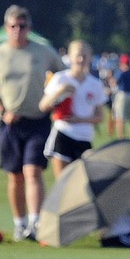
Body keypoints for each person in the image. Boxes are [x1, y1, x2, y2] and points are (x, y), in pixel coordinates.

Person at [0, 4, 64, 241]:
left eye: (22, 26)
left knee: (33, 171)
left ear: (29, 28)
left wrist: (54, 99)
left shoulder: (43, 52)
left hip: (38, 119)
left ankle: (36, 224)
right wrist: (0, 111)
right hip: (10, 122)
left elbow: (62, 75)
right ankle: (20, 223)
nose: (17, 30)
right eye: (13, 26)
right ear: (6, 28)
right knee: (15, 175)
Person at [39, 40, 106, 178]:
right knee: (63, 184)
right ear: (70, 57)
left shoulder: (95, 84)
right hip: (63, 134)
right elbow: (43, 106)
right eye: (77, 56)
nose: (81, 59)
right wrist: (61, 91)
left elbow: (100, 116)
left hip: (85, 137)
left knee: (82, 185)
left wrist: (80, 119)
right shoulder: (60, 78)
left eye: (84, 56)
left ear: (90, 57)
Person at [112, 54, 130, 138]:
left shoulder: (121, 72)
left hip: (122, 95)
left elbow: (114, 82)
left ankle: (121, 138)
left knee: (120, 118)